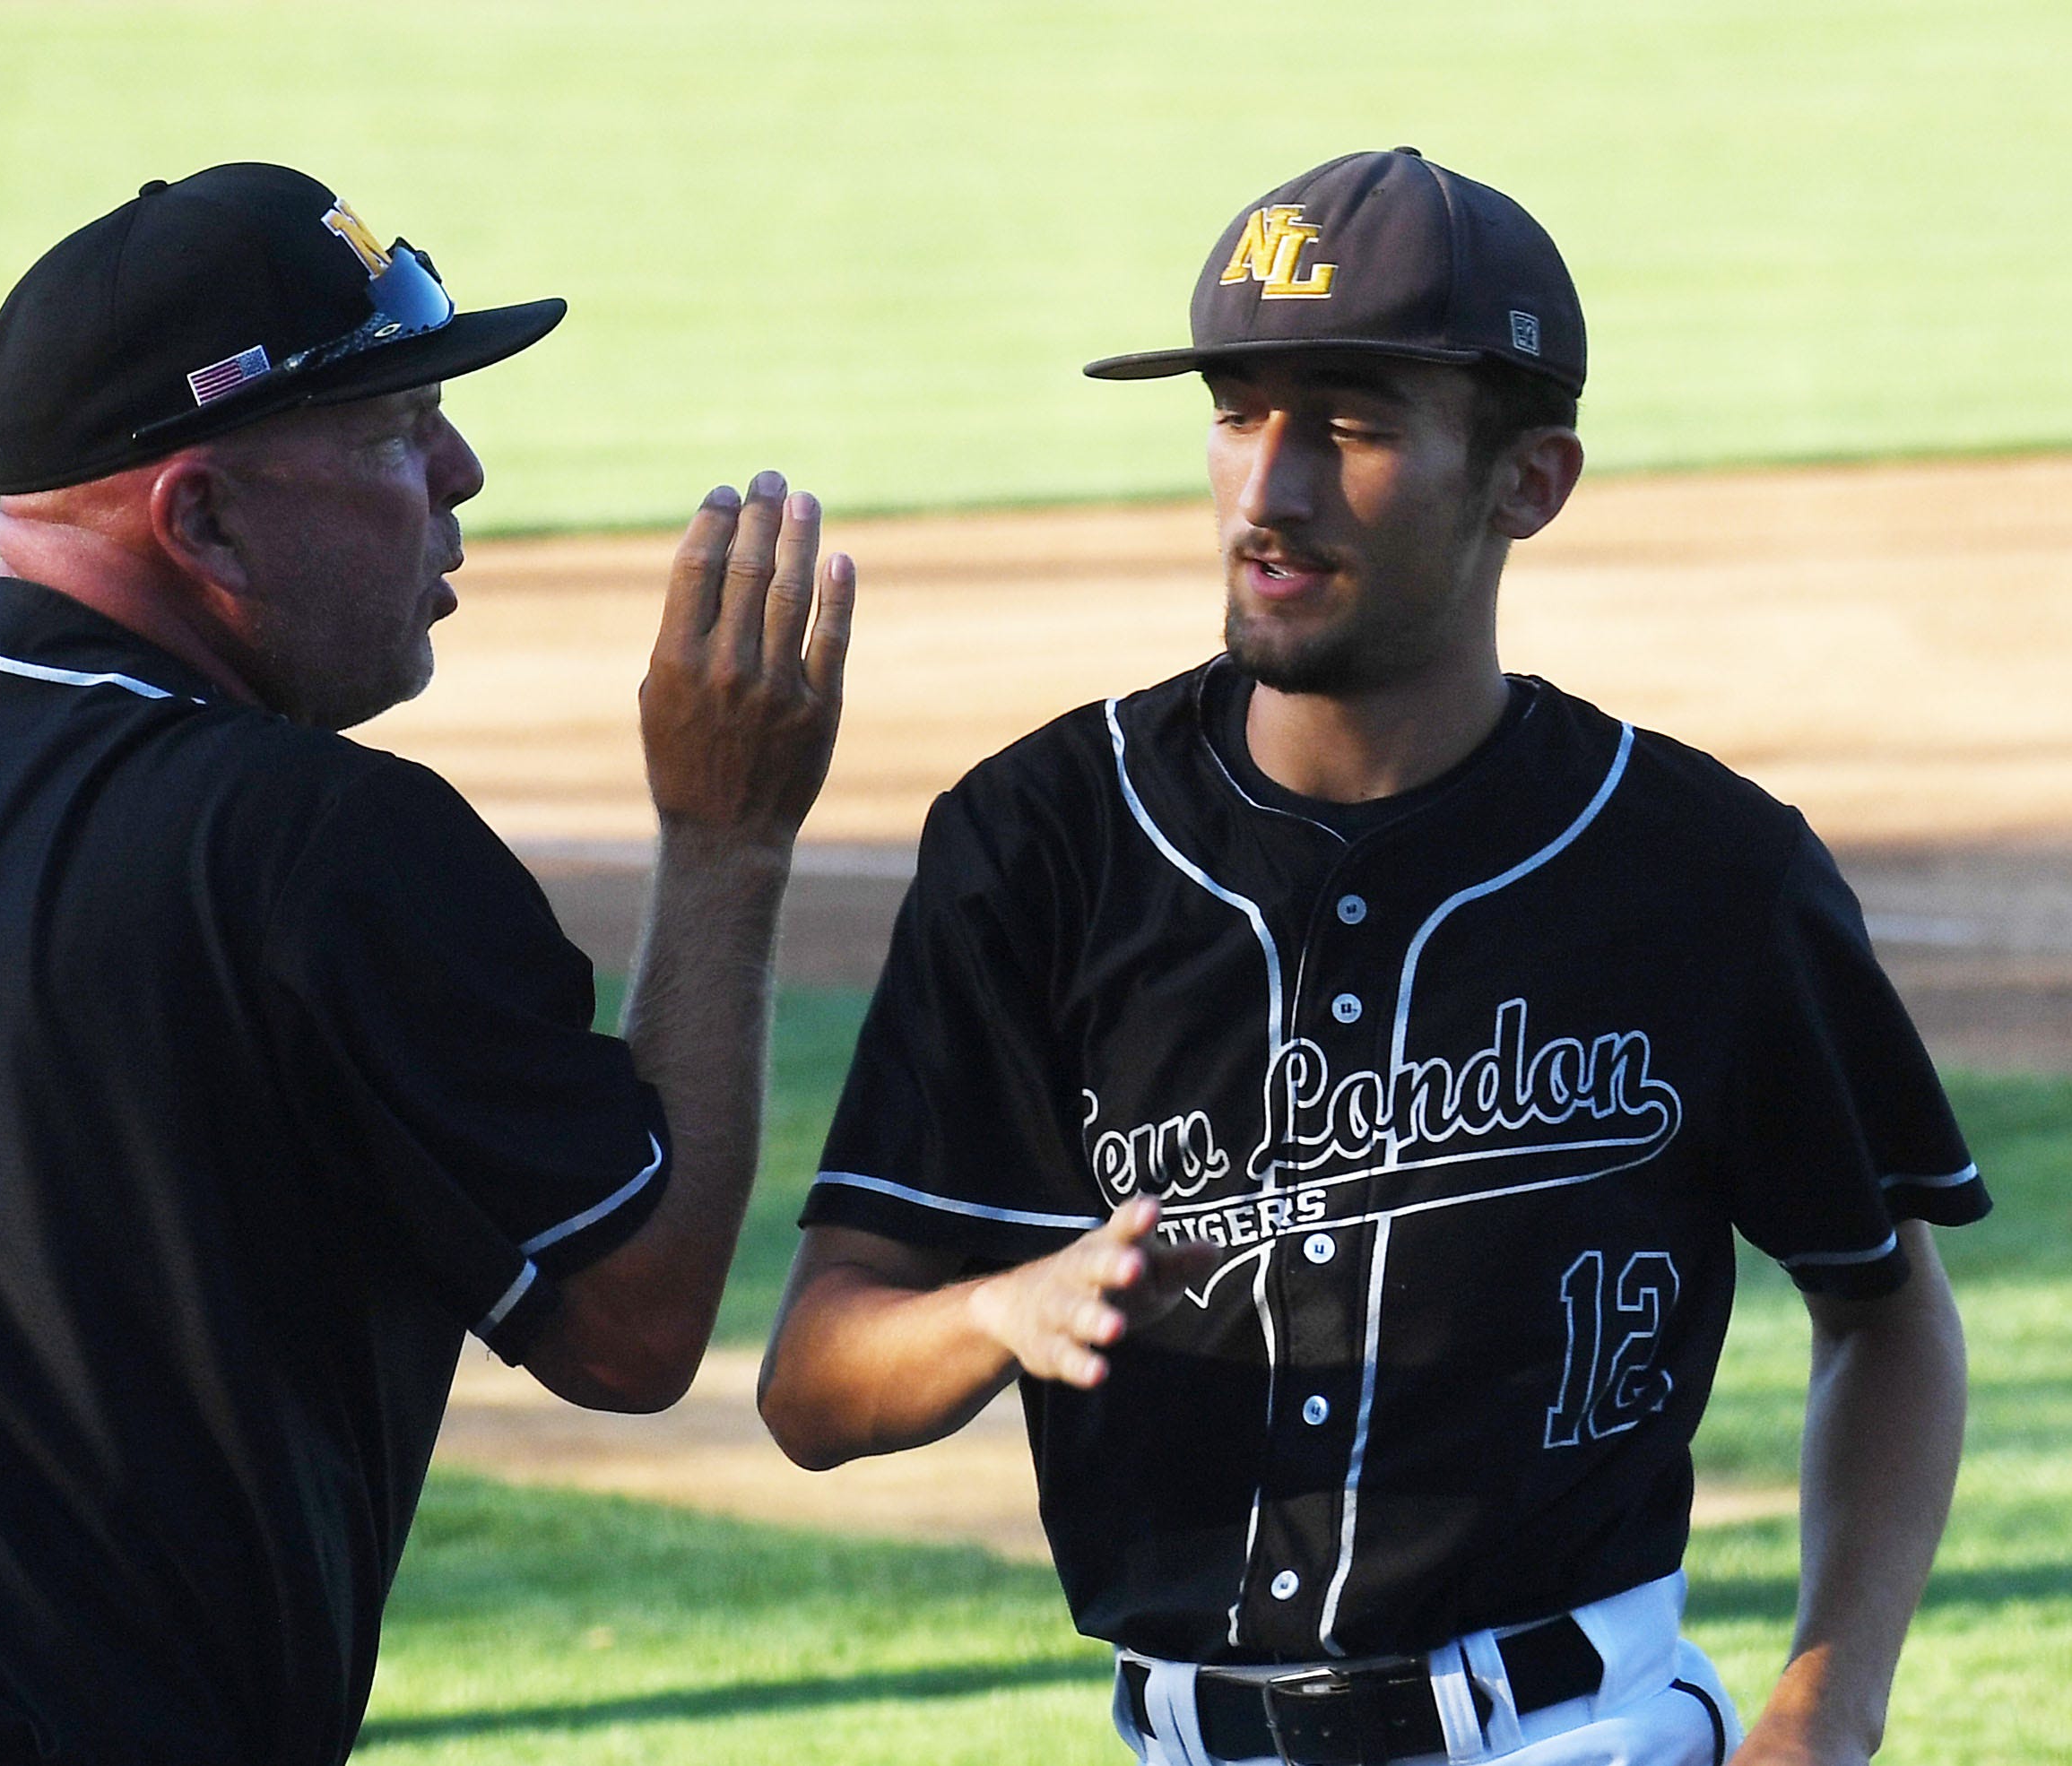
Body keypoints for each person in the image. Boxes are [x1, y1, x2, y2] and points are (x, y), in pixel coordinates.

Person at [0, 162, 852, 1764]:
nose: (461, 470)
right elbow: (631, 1322)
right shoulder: (320, 849)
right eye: (392, 431)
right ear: (201, 515)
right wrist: (726, 835)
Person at [759, 149, 1984, 1766]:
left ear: (1527, 481)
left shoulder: (1704, 873)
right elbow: (816, 1377)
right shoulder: (1044, 841)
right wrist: (1002, 1309)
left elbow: (1884, 1308)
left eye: (1348, 425)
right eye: (1235, 410)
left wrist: (1828, 1706)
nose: (1270, 489)